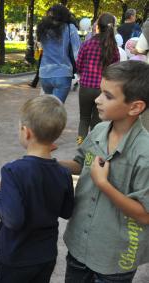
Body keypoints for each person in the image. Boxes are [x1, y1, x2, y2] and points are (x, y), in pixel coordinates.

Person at [60, 61, 149, 283]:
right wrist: (46, 163)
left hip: (115, 258)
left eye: (107, 96)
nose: (97, 99)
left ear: (135, 107)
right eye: (100, 92)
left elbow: (144, 214)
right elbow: (81, 163)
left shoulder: (145, 153)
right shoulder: (99, 130)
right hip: (79, 243)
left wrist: (103, 185)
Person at [0, 95, 74, 283]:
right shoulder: (63, 172)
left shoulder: (12, 171)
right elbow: (67, 211)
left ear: (26, 132)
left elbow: (13, 220)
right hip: (45, 255)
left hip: (15, 256)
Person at [76, 13, 120, 145]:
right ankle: (93, 148)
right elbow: (116, 69)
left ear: (97, 27)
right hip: (103, 90)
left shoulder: (87, 44)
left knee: (83, 119)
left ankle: (80, 146)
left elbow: (78, 65)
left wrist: (83, 73)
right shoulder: (113, 48)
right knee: (96, 122)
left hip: (85, 88)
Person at [36, 4, 81, 103]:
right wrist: (80, 71)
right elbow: (77, 52)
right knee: (57, 109)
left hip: (45, 74)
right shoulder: (69, 28)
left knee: (49, 107)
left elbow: (40, 48)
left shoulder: (43, 28)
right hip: (63, 73)